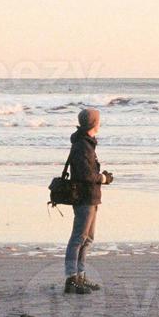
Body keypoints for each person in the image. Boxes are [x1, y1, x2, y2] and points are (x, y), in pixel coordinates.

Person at [64, 106, 112, 294]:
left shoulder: (87, 143)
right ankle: (71, 279)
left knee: (88, 238)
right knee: (78, 238)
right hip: (84, 196)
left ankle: (80, 276)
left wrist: (101, 178)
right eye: (98, 120)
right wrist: (103, 178)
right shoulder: (82, 145)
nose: (100, 123)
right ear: (93, 123)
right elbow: (86, 175)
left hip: (91, 196)